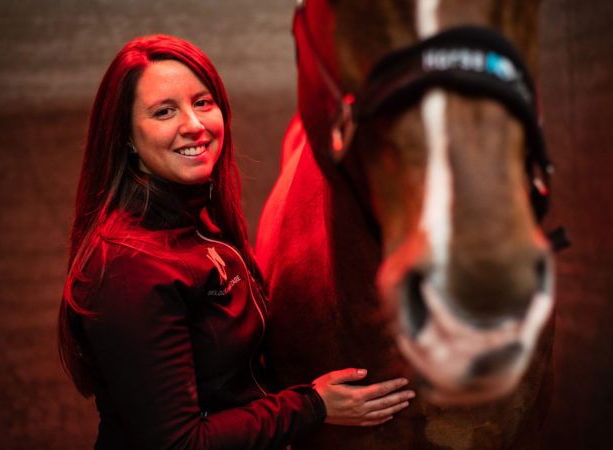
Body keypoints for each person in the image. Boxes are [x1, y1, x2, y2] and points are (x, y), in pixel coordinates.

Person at [57, 34, 414, 449]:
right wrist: (313, 406)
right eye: (164, 111)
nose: (193, 125)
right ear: (127, 138)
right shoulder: (127, 268)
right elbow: (180, 444)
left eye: (203, 103)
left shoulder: (198, 225)